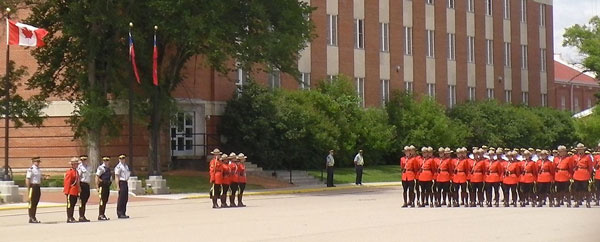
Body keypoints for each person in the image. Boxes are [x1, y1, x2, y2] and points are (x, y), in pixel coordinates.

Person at [572, 143, 594, 208]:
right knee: (576, 189)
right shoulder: (575, 157)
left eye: (581, 149)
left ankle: (588, 202)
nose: (580, 151)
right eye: (579, 149)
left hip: (585, 174)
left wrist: (588, 174)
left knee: (586, 189)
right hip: (577, 174)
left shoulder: (587, 157)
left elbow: (590, 167)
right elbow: (573, 165)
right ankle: (577, 201)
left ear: (583, 150)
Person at [26, 157, 44, 223]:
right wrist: (28, 189)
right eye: (36, 161)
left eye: (38, 162)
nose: (38, 163)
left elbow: (40, 178)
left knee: (36, 202)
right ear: (33, 162)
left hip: (37, 187)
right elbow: (28, 179)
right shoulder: (31, 169)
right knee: (32, 203)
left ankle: (34, 217)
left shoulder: (39, 170)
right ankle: (31, 217)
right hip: (32, 187)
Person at [64, 157, 80, 223]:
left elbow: (78, 182)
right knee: (70, 204)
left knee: (73, 204)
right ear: (72, 165)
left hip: (75, 191)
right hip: (70, 191)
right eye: (75, 164)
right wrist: (67, 192)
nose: (77, 165)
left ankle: (72, 216)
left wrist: (79, 190)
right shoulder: (69, 172)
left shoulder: (76, 172)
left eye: (77, 164)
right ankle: (69, 217)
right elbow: (67, 182)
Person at [115, 154, 131, 218]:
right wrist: (117, 186)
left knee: (125, 198)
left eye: (123, 158)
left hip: (125, 182)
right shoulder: (118, 167)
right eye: (121, 158)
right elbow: (116, 176)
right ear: (119, 159)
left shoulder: (126, 166)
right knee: (121, 198)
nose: (122, 160)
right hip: (121, 182)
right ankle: (119, 213)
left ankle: (123, 212)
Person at [96, 156, 112, 220]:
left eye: (107, 160)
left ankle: (103, 213)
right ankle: (100, 215)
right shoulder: (101, 168)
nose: (106, 162)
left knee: (105, 200)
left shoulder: (108, 168)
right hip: (102, 186)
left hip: (107, 186)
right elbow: (97, 177)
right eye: (105, 161)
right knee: (102, 200)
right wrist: (97, 187)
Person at [76, 155, 91, 222]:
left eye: (84, 159)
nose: (83, 161)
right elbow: (78, 178)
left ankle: (83, 215)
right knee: (82, 201)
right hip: (82, 184)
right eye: (82, 160)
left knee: (85, 201)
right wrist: (78, 187)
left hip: (87, 185)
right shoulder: (80, 167)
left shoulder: (89, 167)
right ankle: (81, 216)